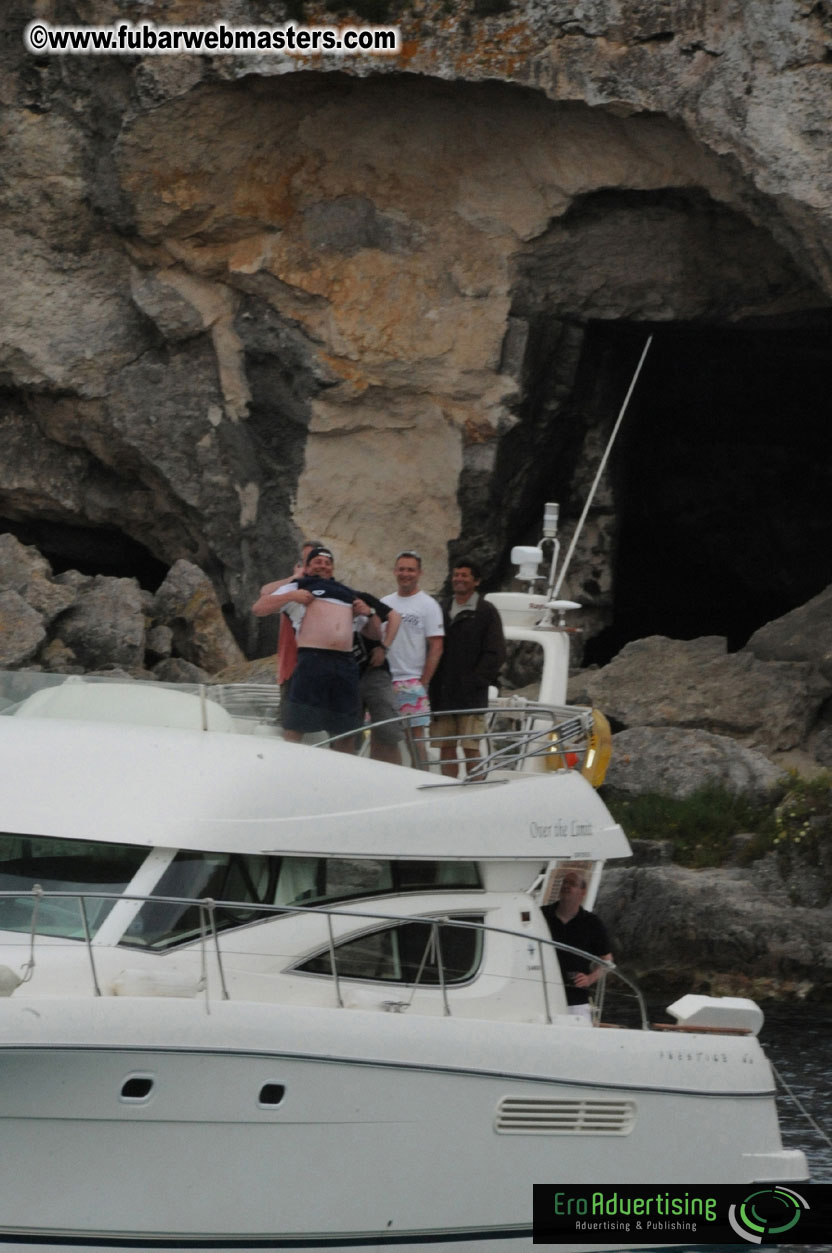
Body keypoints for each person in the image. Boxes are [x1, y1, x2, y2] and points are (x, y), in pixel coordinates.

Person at [251, 545, 377, 751]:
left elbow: (373, 633)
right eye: (317, 561)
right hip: (312, 661)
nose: (323, 566)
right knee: (296, 725)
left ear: (333, 569)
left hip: (344, 664)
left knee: (346, 729)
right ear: (307, 567)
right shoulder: (299, 587)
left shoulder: (348, 593)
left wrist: (369, 614)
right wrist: (292, 597)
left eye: (327, 563)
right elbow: (258, 608)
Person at [429, 558, 505, 777]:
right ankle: (448, 789)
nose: (458, 579)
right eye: (456, 575)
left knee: (471, 747)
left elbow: (496, 652)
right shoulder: (441, 608)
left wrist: (474, 681)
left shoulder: (486, 612)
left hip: (471, 696)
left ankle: (476, 790)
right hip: (442, 693)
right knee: (446, 747)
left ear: (477, 581)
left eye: (464, 575)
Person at [382, 550, 444, 766]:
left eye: (410, 569)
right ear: (394, 571)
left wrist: (424, 681)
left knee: (415, 738)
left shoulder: (428, 605)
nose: (405, 574)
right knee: (384, 738)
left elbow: (436, 645)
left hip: (411, 681)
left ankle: (421, 775)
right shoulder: (384, 602)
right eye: (401, 569)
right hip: (384, 681)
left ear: (419, 573)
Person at [257, 540, 322, 711]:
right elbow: (264, 596)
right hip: (291, 665)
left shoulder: (330, 590)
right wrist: (293, 579)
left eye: (310, 559)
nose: (306, 565)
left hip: (318, 666)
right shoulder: (293, 589)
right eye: (303, 560)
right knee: (290, 717)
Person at [541, 871, 612, 1021]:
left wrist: (590, 979)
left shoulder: (592, 923)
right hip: (542, 996)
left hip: (576, 1000)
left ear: (582, 893)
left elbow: (607, 961)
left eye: (572, 883)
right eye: (564, 883)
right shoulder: (542, 915)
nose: (566, 886)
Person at [350, 593, 404, 764]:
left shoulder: (355, 595)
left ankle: (396, 781)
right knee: (345, 735)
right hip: (345, 675)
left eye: (327, 563)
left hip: (375, 671)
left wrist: (384, 647)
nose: (323, 566)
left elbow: (394, 616)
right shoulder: (309, 598)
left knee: (387, 732)